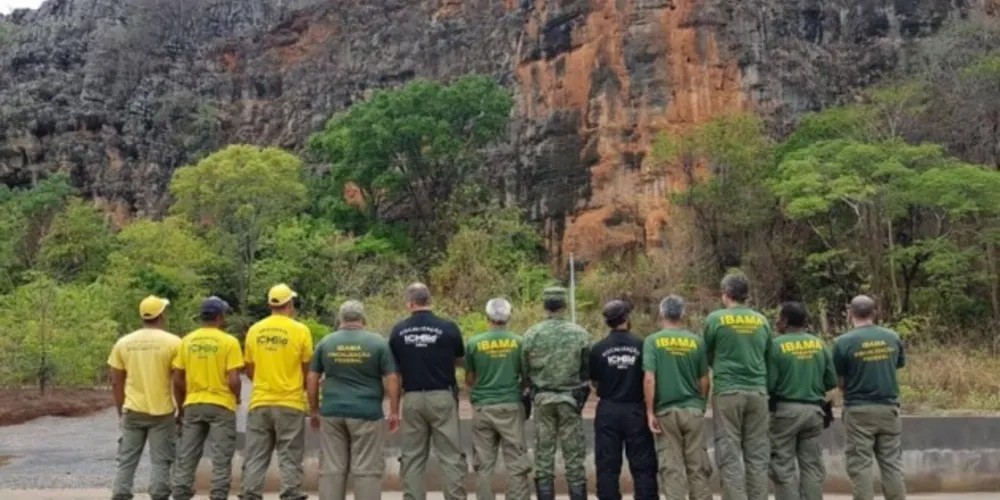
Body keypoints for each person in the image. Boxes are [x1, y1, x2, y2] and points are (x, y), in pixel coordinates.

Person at [307, 300, 400, 500]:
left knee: (332, 469)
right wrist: (394, 411)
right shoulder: (378, 343)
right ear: (362, 318)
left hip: (332, 413)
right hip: (367, 413)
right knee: (367, 469)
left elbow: (312, 377)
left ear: (341, 318)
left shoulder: (326, 342)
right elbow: (392, 378)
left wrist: (314, 410)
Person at [388, 283, 467, 500]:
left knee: (412, 457)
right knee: (450, 456)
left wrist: (394, 409)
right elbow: (459, 358)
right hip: (442, 396)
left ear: (410, 303)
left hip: (412, 397)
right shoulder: (448, 327)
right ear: (429, 301)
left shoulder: (398, 331)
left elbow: (393, 371)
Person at [240, 284, 314, 500]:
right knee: (290, 455)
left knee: (255, 455)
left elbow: (250, 369)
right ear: (289, 304)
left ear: (270, 304)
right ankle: (290, 493)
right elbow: (306, 368)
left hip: (260, 402)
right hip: (290, 402)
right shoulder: (300, 330)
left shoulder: (255, 330)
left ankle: (250, 493)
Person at [703, 273, 773, 500]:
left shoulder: (715, 320)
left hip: (728, 392)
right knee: (757, 454)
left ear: (726, 294)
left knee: (729, 452)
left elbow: (706, 354)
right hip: (758, 391)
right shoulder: (762, 320)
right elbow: (768, 356)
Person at [107, 295, 182, 500]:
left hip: (133, 409)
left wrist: (120, 409)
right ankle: (159, 494)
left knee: (127, 459)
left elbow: (116, 380)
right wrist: (181, 409)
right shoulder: (174, 343)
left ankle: (121, 493)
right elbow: (178, 381)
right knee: (161, 459)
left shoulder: (124, 343)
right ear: (161, 315)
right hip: (162, 411)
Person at [832, 295, 907, 500]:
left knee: (860, 465)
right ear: (875, 313)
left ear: (849, 314)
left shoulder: (842, 342)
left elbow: (839, 378)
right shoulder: (892, 337)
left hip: (858, 410)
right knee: (892, 463)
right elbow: (897, 364)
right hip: (888, 408)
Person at [521, 286, 591, 500]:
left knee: (543, 456)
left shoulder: (532, 334)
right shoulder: (580, 334)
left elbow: (524, 371)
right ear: (564, 305)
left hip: (543, 399)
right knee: (574, 457)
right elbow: (586, 370)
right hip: (570, 399)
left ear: (545, 306)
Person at [171, 296, 244, 500]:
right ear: (220, 316)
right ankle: (218, 495)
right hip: (221, 405)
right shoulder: (229, 342)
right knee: (221, 457)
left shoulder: (187, 341)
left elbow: (177, 378)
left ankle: (180, 493)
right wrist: (236, 397)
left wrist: (186, 400)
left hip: (193, 404)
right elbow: (234, 379)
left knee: (187, 456)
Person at [642, 295, 711, 500]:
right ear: (683, 315)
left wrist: (650, 411)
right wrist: (700, 404)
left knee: (672, 468)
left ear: (661, 314)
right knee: (697, 467)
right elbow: (704, 379)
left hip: (666, 413)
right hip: (693, 411)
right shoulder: (696, 341)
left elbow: (649, 378)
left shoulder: (653, 341)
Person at [767, 302, 838, 500]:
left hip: (785, 413)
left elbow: (769, 383)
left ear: (786, 321)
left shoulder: (776, 346)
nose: (777, 321)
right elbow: (831, 380)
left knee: (783, 465)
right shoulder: (819, 343)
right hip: (814, 412)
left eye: (780, 317)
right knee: (812, 466)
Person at [589, 300, 658, 500]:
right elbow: (649, 377)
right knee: (643, 466)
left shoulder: (598, 348)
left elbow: (594, 382)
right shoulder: (642, 345)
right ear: (627, 318)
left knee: (607, 467)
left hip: (608, 410)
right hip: (636, 410)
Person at [464, 298, 532, 500]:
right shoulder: (519, 342)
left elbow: (469, 379)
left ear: (487, 317)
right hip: (510, 406)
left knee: (483, 465)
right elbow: (526, 377)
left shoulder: (474, 343)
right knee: (516, 462)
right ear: (509, 316)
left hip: (483, 407)